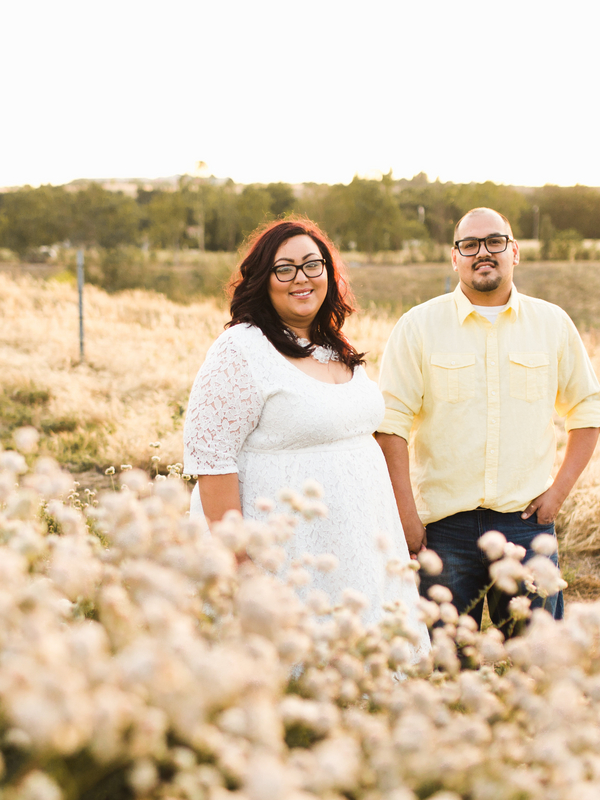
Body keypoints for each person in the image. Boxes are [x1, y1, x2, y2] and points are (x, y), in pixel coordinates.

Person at [183, 217, 430, 654]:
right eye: (285, 268)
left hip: (361, 546)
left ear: (329, 275)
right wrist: (240, 564)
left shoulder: (334, 344)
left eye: (312, 265)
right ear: (263, 280)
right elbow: (211, 461)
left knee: (370, 665)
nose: (302, 278)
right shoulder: (241, 349)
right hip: (288, 553)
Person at [376, 207, 600, 631]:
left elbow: (588, 412)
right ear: (454, 257)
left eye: (495, 241)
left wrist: (557, 496)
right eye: (470, 244)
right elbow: (391, 426)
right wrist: (406, 515)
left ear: (514, 251)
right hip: (442, 530)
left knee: (538, 663)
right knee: (445, 665)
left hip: (525, 527)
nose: (483, 252)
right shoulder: (418, 327)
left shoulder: (552, 324)